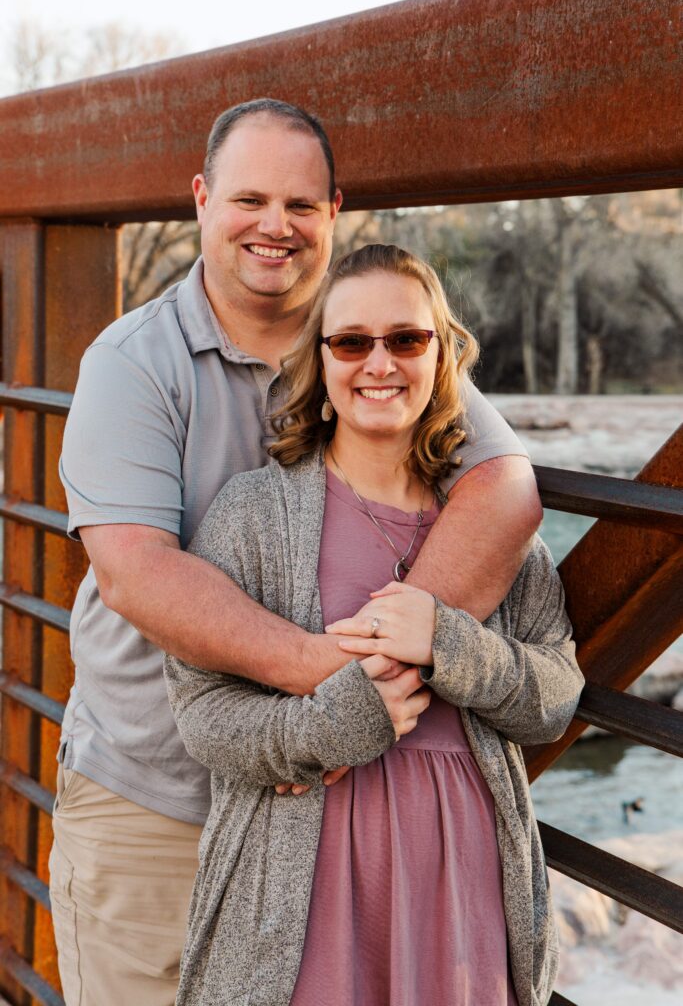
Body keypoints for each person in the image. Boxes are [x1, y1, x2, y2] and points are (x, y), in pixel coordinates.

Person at [51, 100, 541, 1006]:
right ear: (200, 200)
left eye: (301, 205)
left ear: (334, 212)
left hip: (331, 809)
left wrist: (357, 704)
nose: (274, 226)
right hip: (160, 801)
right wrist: (334, 687)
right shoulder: (132, 361)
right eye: (248, 198)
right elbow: (133, 571)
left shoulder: (371, 343)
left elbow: (503, 487)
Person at [164, 243, 583, 1006]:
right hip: (304, 878)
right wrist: (324, 728)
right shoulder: (252, 515)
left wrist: (448, 643)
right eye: (352, 342)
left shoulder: (493, 536)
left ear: (440, 356)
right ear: (320, 364)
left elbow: (553, 697)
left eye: (406, 339)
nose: (378, 363)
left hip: (462, 882)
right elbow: (203, 717)